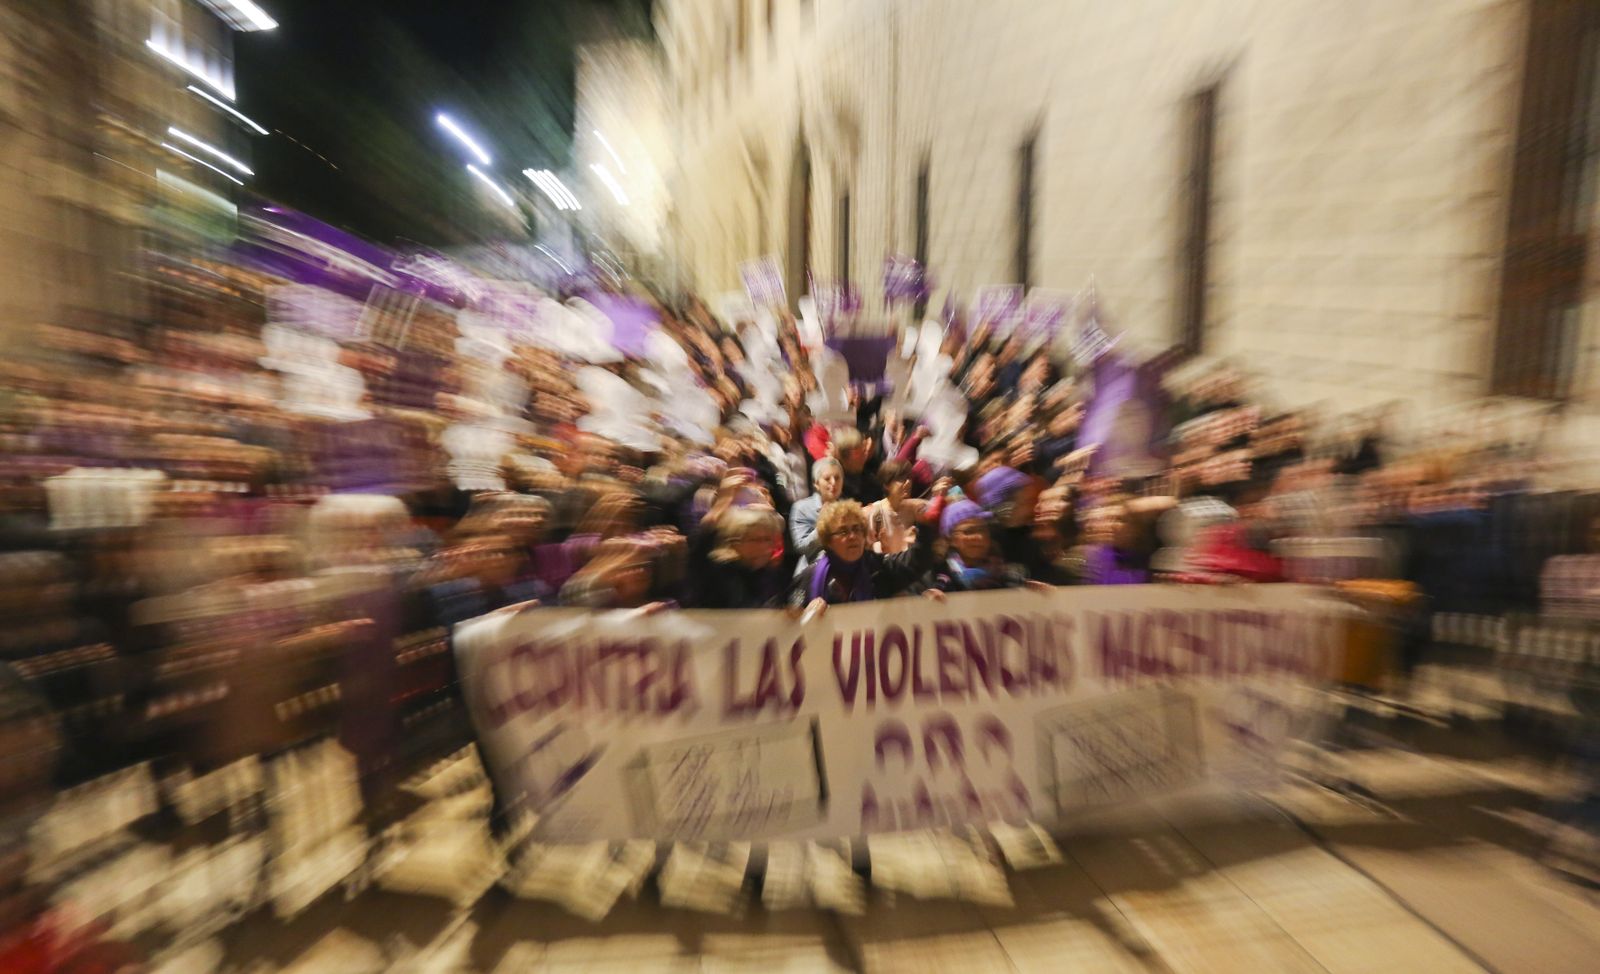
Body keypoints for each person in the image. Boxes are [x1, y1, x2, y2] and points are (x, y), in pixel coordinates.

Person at [789, 489, 947, 613]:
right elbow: (787, 624)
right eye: (844, 531)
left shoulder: (878, 568)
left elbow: (916, 562)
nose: (853, 536)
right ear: (828, 541)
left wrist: (925, 529)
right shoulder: (809, 577)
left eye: (857, 529)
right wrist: (805, 615)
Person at [920, 499, 1053, 596]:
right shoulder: (935, 578)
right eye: (969, 531)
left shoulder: (1013, 576)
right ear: (951, 540)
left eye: (982, 530)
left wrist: (1038, 595)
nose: (979, 537)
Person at [788, 457, 844, 563]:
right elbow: (801, 548)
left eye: (837, 478)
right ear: (816, 483)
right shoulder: (801, 508)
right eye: (827, 479)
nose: (833, 482)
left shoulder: (847, 508)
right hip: (813, 568)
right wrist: (822, 526)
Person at [865, 460, 922, 555]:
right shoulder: (874, 512)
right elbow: (867, 550)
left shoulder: (915, 509)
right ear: (887, 485)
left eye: (909, 478)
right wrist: (881, 547)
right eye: (901, 479)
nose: (908, 482)